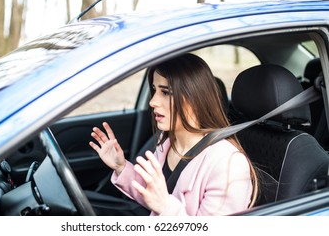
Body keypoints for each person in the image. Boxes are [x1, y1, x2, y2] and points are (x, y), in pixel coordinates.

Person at [89, 53, 258, 216]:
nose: (152, 102)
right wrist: (121, 167)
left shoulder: (228, 164)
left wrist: (165, 207)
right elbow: (154, 195)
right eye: (154, 90)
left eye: (166, 92)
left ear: (194, 97)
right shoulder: (167, 141)